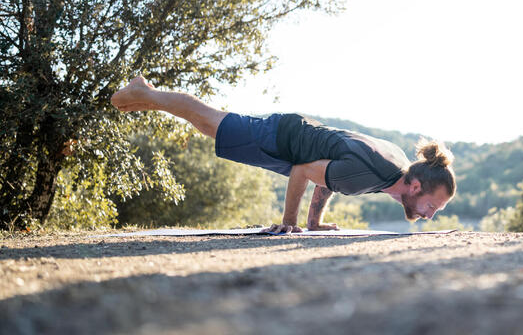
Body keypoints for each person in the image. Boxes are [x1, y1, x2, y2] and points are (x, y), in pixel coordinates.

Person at [110, 76, 456, 233]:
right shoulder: (375, 175)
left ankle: (145, 96)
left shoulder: (393, 163)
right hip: (282, 137)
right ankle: (144, 92)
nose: (429, 215)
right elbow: (305, 171)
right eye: (431, 206)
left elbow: (331, 175)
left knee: (208, 125)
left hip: (296, 132)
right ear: (415, 188)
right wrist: (290, 222)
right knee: (209, 121)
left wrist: (314, 222)